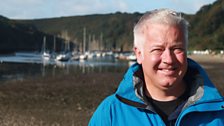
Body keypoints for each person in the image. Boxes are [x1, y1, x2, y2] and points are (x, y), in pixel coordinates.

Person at [88, 8, 224, 126]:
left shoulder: (218, 112)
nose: (168, 59)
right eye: (158, 49)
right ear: (139, 54)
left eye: (177, 48)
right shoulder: (111, 113)